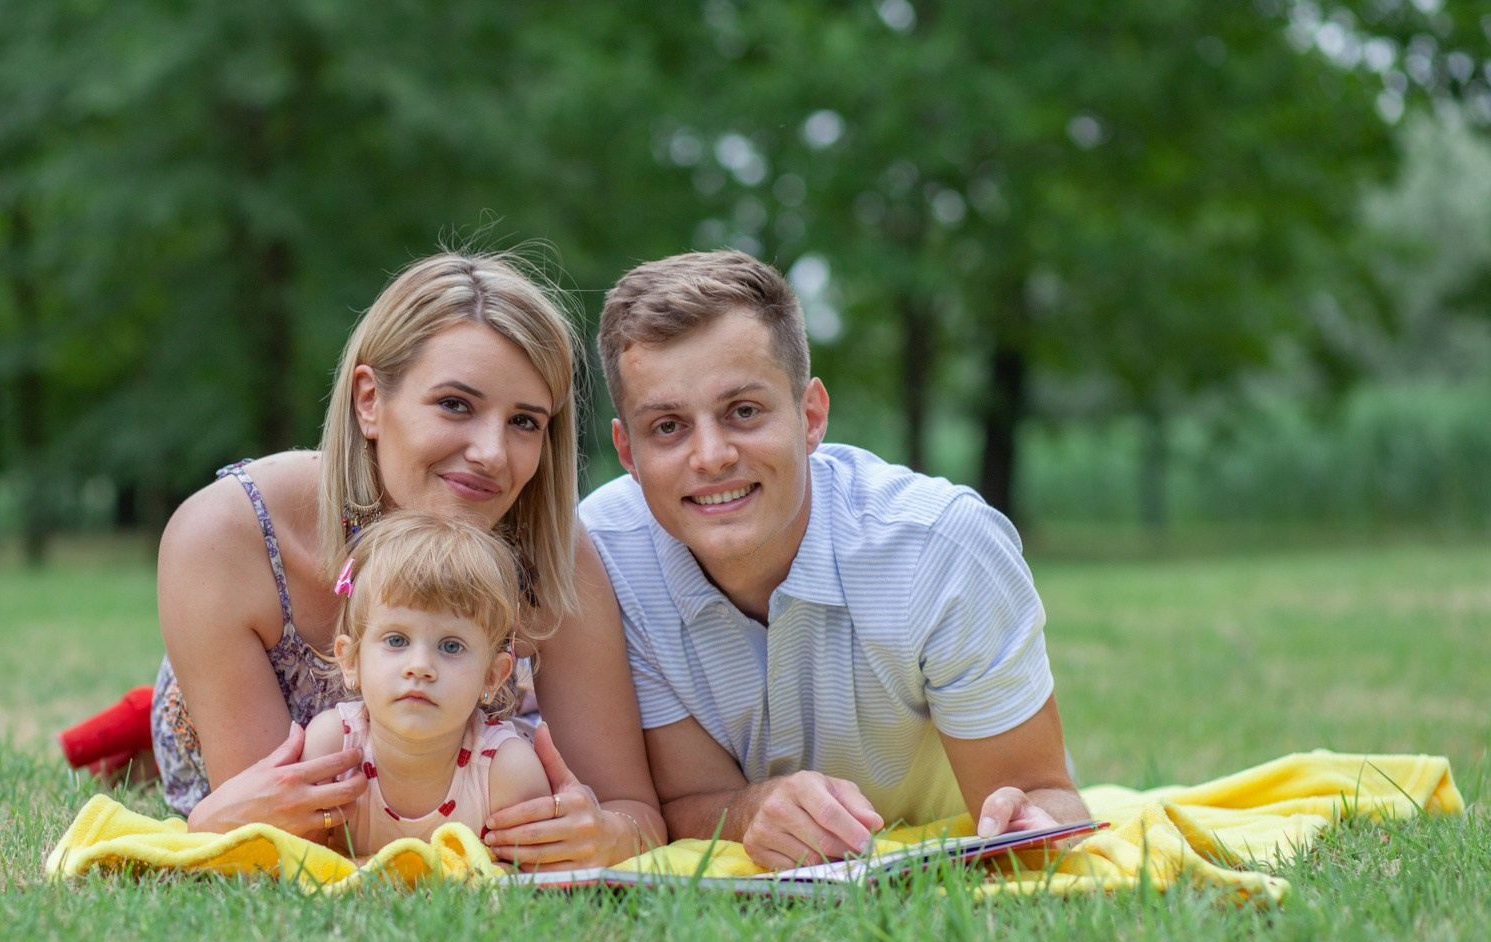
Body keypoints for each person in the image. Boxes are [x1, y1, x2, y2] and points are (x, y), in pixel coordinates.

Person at [579, 249, 1090, 871]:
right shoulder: (603, 556)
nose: (710, 456)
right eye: (667, 426)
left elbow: (1047, 798)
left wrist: (1037, 823)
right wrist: (749, 811)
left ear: (810, 415)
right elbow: (681, 800)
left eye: (743, 412)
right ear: (627, 451)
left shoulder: (942, 548)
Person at [153, 251, 662, 867]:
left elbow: (632, 810)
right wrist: (212, 820)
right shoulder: (230, 537)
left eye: (525, 421)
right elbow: (293, 841)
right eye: (455, 404)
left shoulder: (550, 550)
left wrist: (602, 834)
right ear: (370, 400)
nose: (492, 454)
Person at [300, 510, 550, 858]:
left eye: (451, 646)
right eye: (397, 640)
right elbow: (301, 864)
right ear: (351, 659)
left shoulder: (506, 771)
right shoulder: (334, 749)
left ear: (493, 675)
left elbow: (531, 880)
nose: (419, 667)